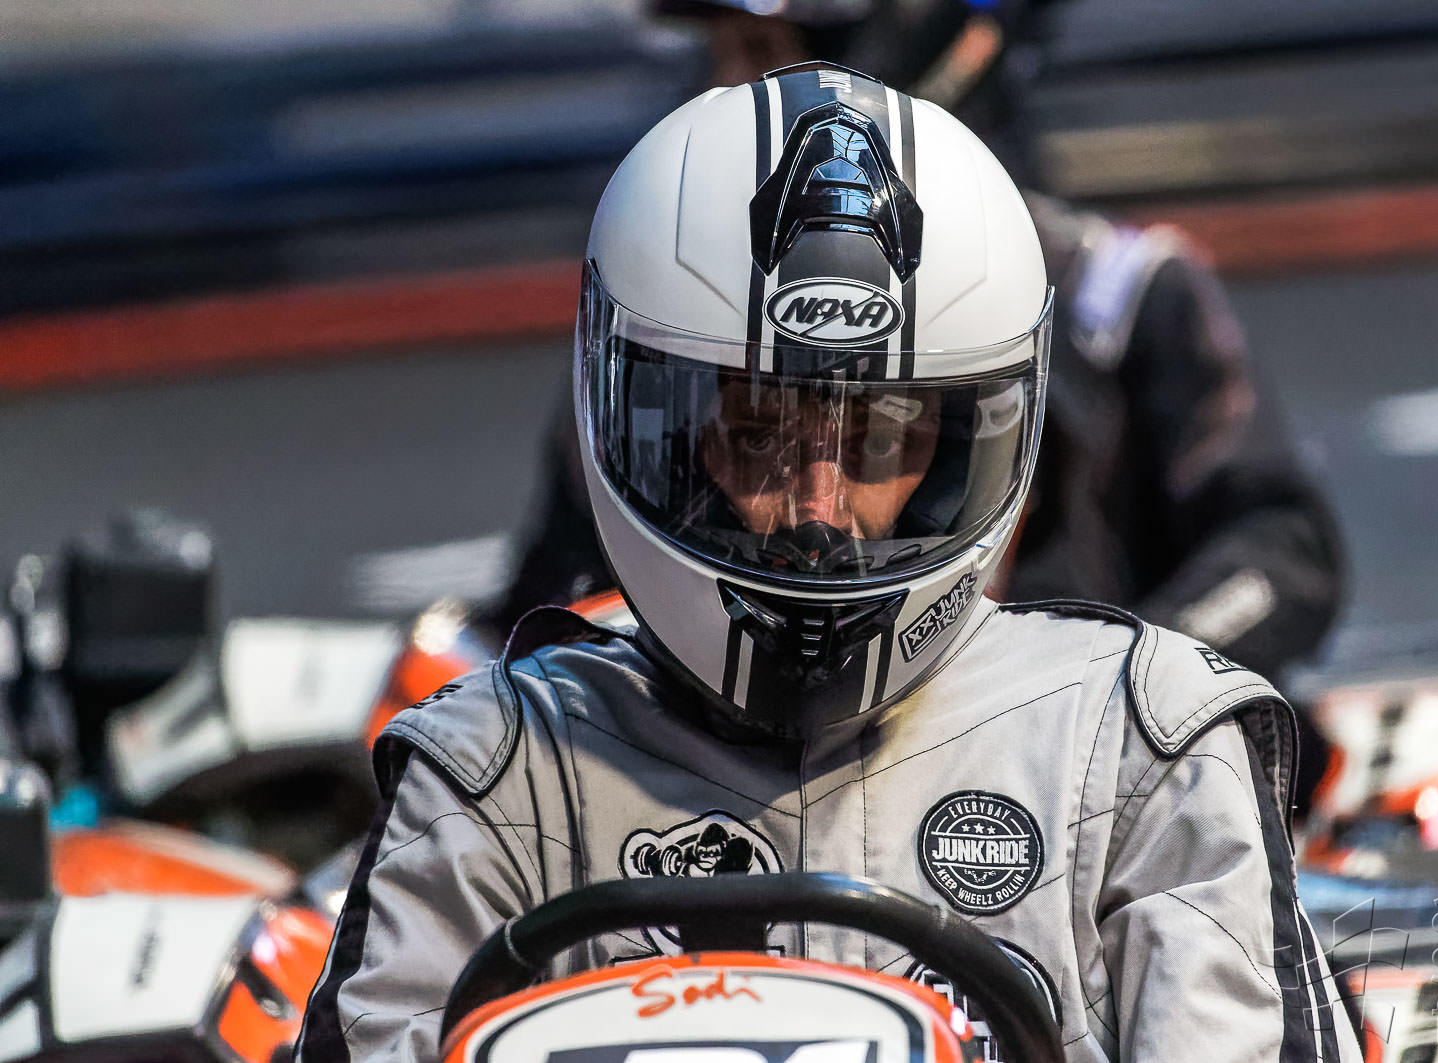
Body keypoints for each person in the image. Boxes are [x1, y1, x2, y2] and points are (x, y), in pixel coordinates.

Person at [299, 66, 1358, 1063]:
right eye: (756, 433)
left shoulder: (1143, 750)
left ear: (967, 448)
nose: (816, 512)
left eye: (880, 438)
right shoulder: (487, 774)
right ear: (659, 437)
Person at [489, 0, 1345, 686]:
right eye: (752, 431)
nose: (727, 86)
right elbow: (547, 605)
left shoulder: (1113, 295)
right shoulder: (655, 328)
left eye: (761, 52)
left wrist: (1121, 690)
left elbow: (1282, 551)